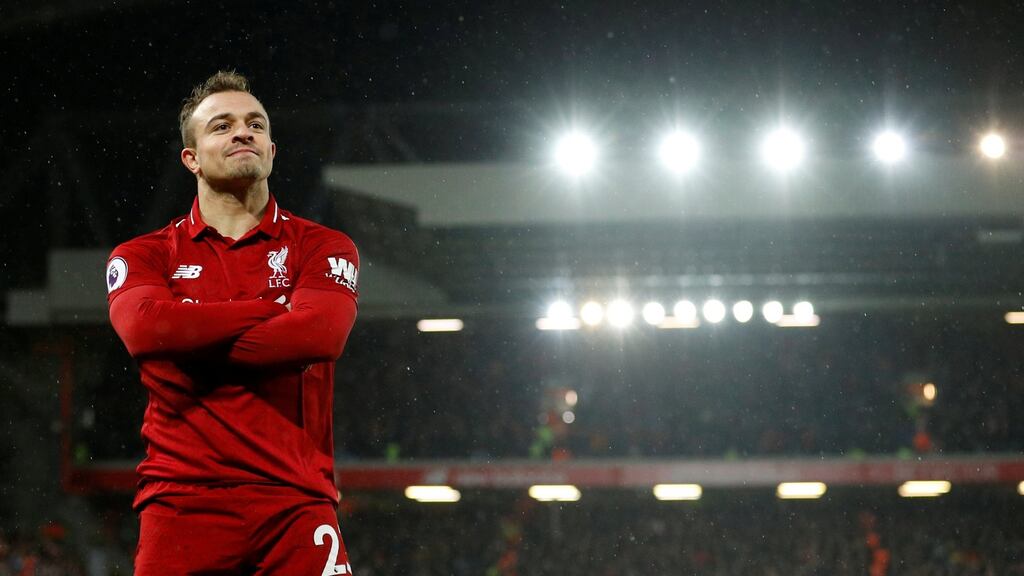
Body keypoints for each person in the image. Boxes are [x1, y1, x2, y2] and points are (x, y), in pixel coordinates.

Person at [106, 70, 359, 575]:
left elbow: (320, 335)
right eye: (221, 126)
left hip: (295, 501)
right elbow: (144, 330)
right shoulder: (145, 254)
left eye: (255, 124)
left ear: (271, 150)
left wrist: (187, 337)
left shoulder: (324, 245)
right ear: (191, 158)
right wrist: (270, 312)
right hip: (181, 502)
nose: (243, 132)